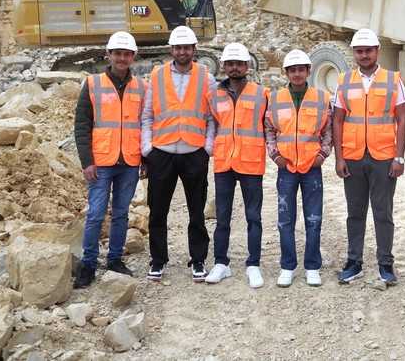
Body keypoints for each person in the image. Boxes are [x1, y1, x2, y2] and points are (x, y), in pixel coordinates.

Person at [334, 28, 405, 286]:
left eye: (368, 50)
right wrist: (339, 158)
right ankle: (354, 262)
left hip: (383, 157)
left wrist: (399, 158)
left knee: (383, 212)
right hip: (353, 156)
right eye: (359, 51)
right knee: (355, 212)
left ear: (377, 51)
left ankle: (386, 264)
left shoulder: (392, 80)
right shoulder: (344, 81)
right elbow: (338, 120)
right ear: (354, 53)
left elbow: (402, 118)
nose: (363, 55)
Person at [141, 25, 215, 283]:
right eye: (178, 47)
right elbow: (147, 115)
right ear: (171, 50)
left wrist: (208, 147)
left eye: (187, 47)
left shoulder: (206, 76)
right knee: (158, 210)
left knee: (196, 210)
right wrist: (147, 149)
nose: (182, 52)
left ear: (194, 50)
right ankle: (158, 259)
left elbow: (212, 116)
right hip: (162, 153)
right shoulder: (157, 75)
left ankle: (198, 259)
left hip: (194, 152)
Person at [73, 31, 145, 288]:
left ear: (133, 57)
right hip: (101, 161)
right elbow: (82, 125)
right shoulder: (92, 84)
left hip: (129, 160)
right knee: (95, 214)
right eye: (118, 53)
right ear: (109, 55)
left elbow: (144, 124)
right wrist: (87, 161)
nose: (122, 58)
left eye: (127, 54)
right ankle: (88, 263)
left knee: (122, 213)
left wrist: (144, 157)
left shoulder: (141, 87)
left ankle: (114, 259)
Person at [264, 49, 332, 287]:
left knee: (314, 218)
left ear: (308, 71)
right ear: (287, 72)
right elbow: (269, 129)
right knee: (285, 219)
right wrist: (274, 155)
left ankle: (312, 266)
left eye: (301, 70)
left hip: (312, 166)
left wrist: (322, 155)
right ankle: (288, 266)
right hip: (286, 168)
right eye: (292, 70)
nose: (297, 74)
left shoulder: (322, 98)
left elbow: (328, 131)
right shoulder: (275, 98)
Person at [206, 43, 270, 289]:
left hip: (251, 162)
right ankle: (221, 263)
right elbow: (211, 126)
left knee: (253, 216)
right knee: (222, 216)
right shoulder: (215, 95)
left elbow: (269, 128)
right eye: (230, 64)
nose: (234, 68)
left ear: (247, 66)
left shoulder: (261, 94)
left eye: (239, 64)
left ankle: (253, 264)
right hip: (224, 162)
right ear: (224, 66)